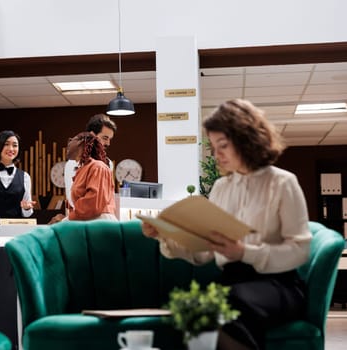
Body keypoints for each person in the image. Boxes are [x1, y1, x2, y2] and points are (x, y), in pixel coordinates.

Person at [141, 98, 312, 350]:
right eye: (213, 146)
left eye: (223, 145)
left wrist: (245, 252)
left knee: (225, 305)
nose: (216, 154)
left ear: (247, 140)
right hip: (233, 282)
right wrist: (164, 235)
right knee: (190, 308)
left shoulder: (283, 183)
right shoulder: (221, 188)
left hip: (279, 284)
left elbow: (300, 250)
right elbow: (204, 252)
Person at [64, 114, 117, 209]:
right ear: (92, 135)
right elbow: (72, 198)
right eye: (105, 138)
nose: (108, 143)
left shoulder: (109, 163)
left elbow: (109, 194)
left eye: (110, 139)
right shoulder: (73, 163)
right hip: (82, 219)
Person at [66, 131, 116, 221]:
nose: (69, 142)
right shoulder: (82, 170)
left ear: (81, 142)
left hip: (100, 224)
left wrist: (68, 219)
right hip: (90, 223)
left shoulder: (98, 167)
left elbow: (93, 204)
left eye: (72, 139)